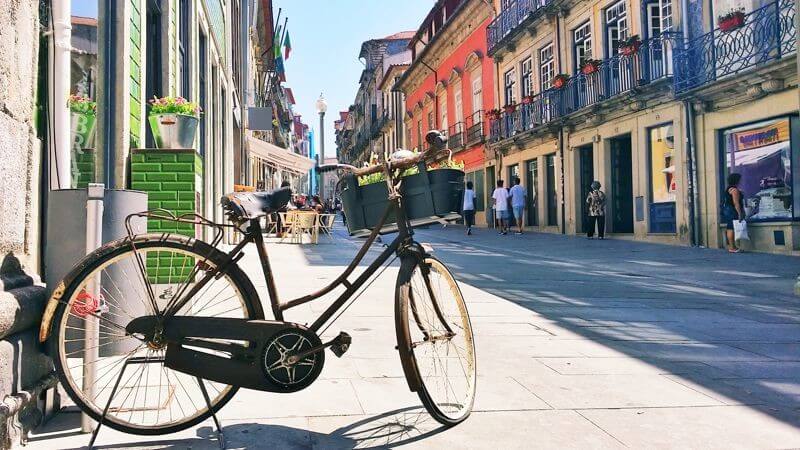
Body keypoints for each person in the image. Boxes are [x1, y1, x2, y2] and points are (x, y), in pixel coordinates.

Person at [722, 172, 745, 253]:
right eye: (740, 180)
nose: (741, 181)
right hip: (732, 210)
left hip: (727, 209)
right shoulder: (734, 190)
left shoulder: (729, 188)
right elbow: (736, 203)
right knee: (731, 227)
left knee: (730, 226)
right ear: (737, 180)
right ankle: (732, 247)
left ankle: (732, 246)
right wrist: (740, 213)